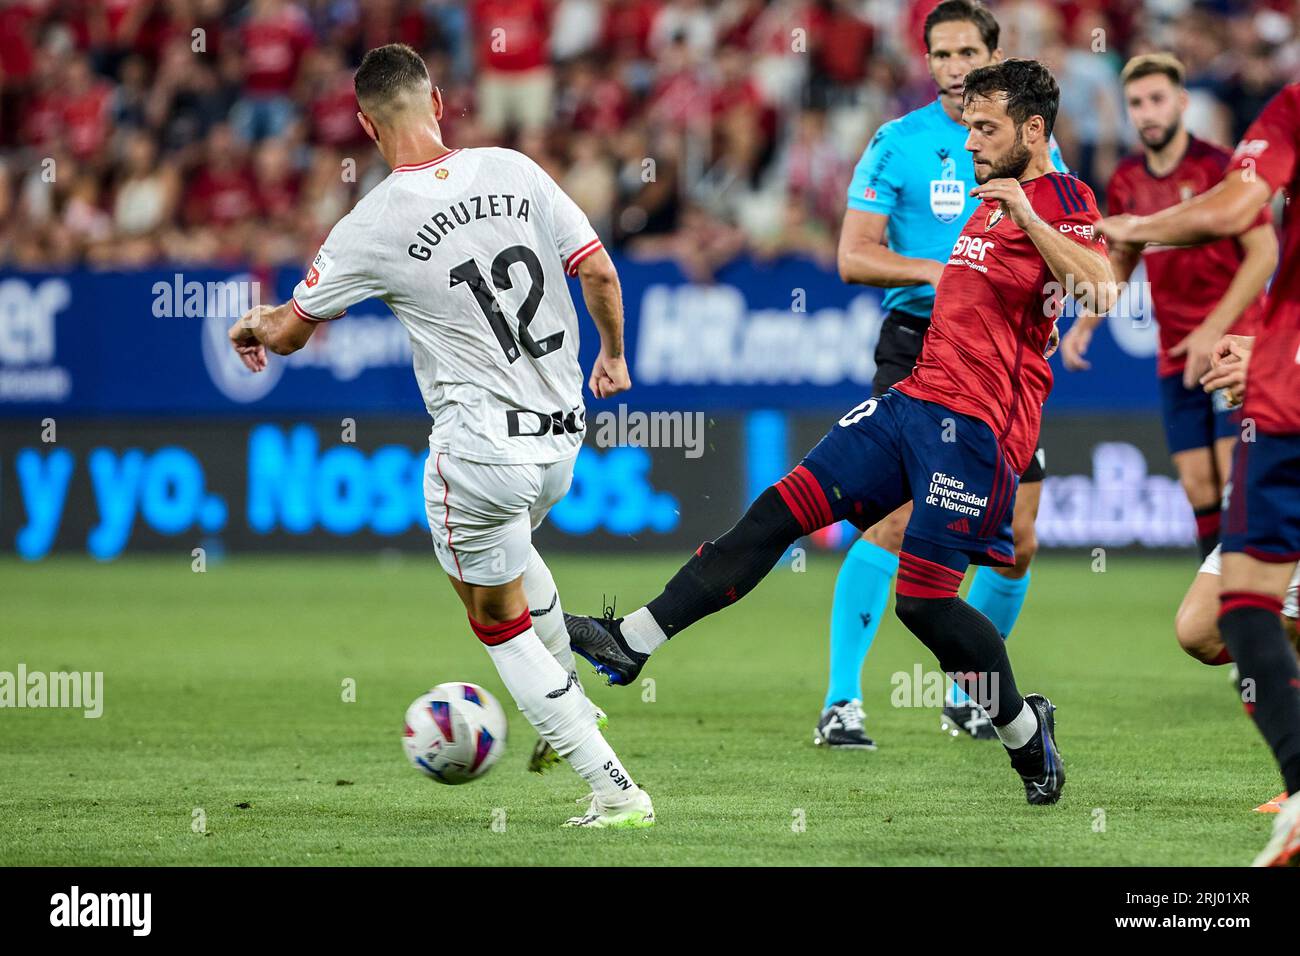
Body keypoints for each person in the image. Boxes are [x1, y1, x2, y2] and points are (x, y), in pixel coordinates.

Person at [568, 59, 1115, 806]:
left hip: (977, 432)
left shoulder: (1064, 198)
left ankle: (1025, 730)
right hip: (912, 403)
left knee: (923, 603)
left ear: (1033, 130)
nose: (971, 141)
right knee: (778, 509)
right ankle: (632, 640)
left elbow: (1102, 289)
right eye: (967, 125)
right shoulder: (986, 197)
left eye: (986, 129)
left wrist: (1025, 212)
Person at [226, 43, 653, 829]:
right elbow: (597, 271)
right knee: (511, 563)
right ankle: (569, 701)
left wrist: (255, 322)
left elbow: (288, 335)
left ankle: (611, 784)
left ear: (364, 123)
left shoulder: (372, 223)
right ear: (437, 100)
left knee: (495, 620)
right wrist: (615, 357)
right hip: (562, 440)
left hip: (481, 452)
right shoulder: (514, 169)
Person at [827, 0, 1066, 748]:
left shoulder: (1031, 144)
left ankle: (975, 695)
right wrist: (938, 271)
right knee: (897, 521)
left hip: (1001, 355)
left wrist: (1061, 313)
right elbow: (852, 256)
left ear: (995, 53)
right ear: (927, 61)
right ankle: (841, 703)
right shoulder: (898, 143)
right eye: (941, 55)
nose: (955, 66)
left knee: (1019, 533)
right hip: (921, 344)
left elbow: (1063, 241)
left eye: (968, 52)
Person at [1097, 82, 1300, 867]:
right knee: (1209, 624)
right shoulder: (1287, 110)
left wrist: (1137, 230)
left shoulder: (1229, 161)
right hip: (1269, 385)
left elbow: (1232, 216)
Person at [1062, 53, 1276, 560]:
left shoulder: (1221, 168)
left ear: (1182, 102)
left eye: (1157, 99)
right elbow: (1124, 255)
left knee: (1233, 479)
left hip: (1233, 346)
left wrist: (1213, 330)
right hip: (1175, 350)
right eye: (1136, 103)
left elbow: (1264, 253)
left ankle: (1250, 605)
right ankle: (1221, 612)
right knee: (1197, 485)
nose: (1147, 112)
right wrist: (1086, 323)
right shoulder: (1127, 178)